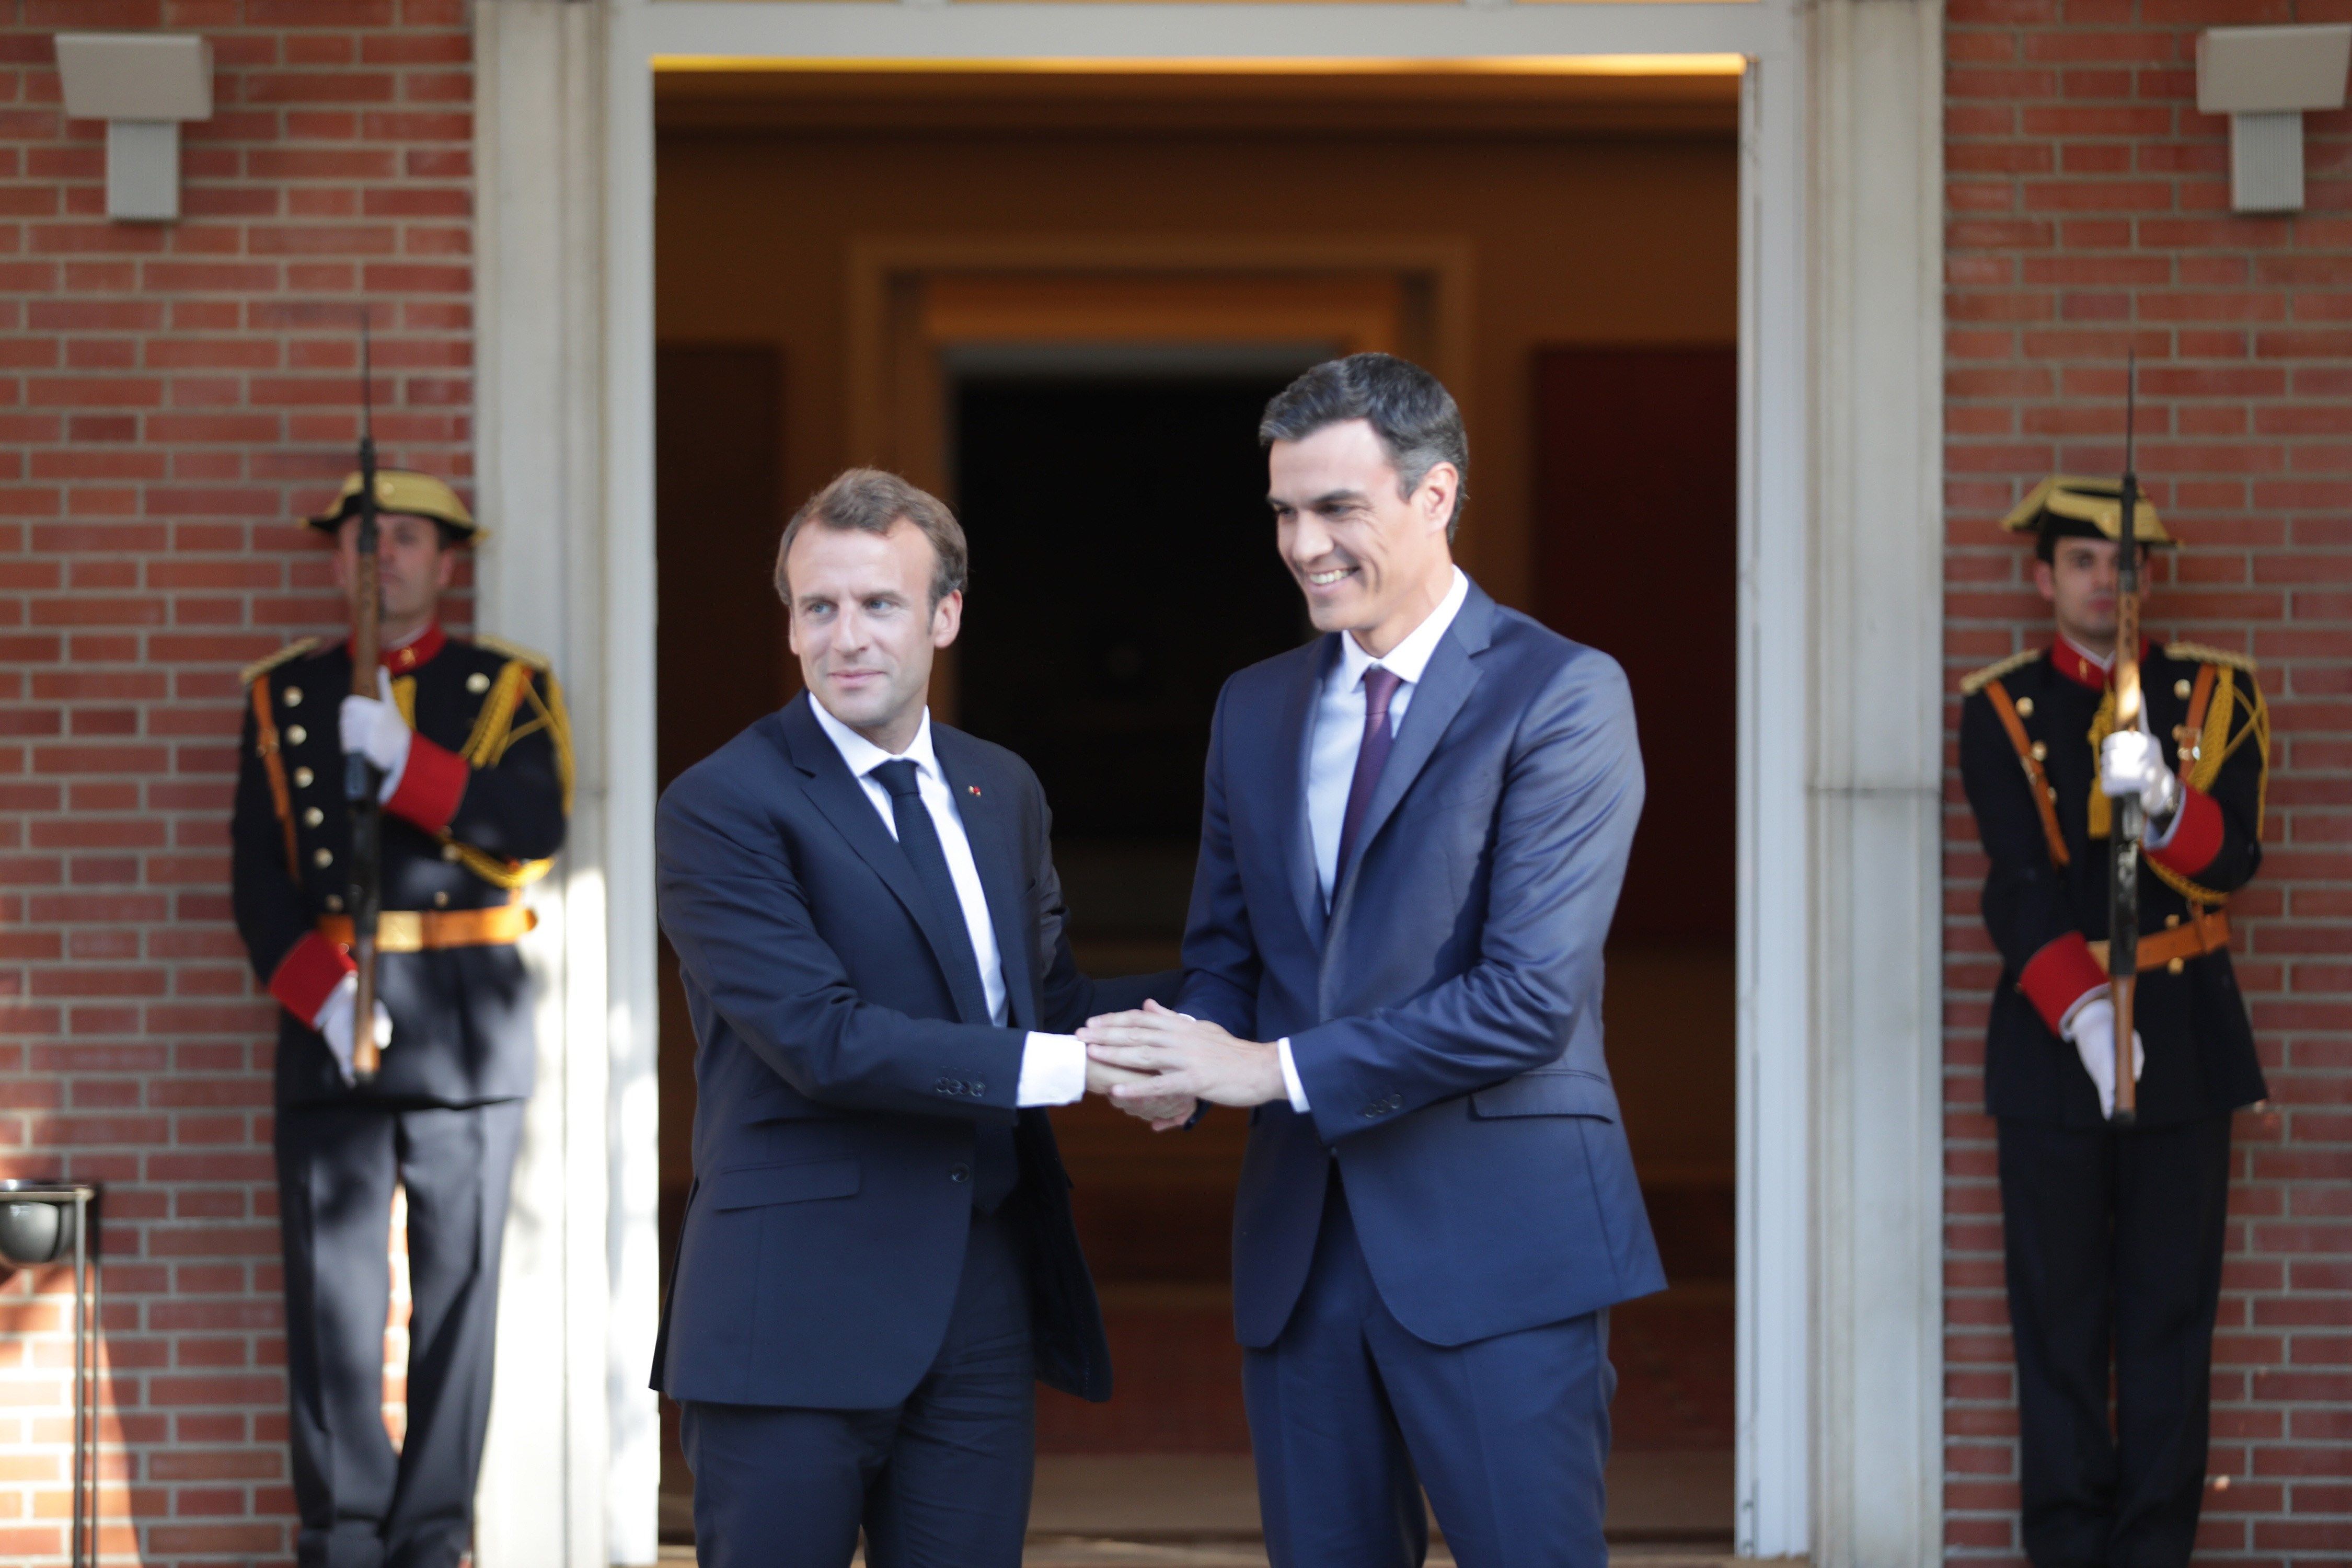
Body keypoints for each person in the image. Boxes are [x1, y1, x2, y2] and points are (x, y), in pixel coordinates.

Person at [1082, 353, 1662, 1567]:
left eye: (1338, 509)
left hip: (1503, 1242)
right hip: (1303, 1254)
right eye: (1286, 512)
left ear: (1436, 495)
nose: (1303, 544)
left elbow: (1527, 1001)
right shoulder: (1253, 706)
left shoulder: (1564, 694)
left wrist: (1269, 1068)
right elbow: (1227, 961)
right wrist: (1176, 1063)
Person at [650, 468, 1184, 1567]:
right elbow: (821, 1038)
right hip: (790, 1309)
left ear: (943, 616)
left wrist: (1188, 1051)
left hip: (976, 1301)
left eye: (880, 604)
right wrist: (1066, 1071)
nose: (847, 637)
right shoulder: (723, 804)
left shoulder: (1003, 789)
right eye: (819, 608)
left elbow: (1046, 1003)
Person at [233, 470, 571, 1568]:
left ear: (447, 560)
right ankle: (341, 1533)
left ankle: (430, 1535)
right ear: (336, 561)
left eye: (409, 537)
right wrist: (319, 996)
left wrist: (410, 766)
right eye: (363, 539)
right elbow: (255, 875)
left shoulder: (507, 683)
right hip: (337, 1020)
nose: (383, 557)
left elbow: (533, 826)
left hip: (468, 1024)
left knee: (458, 1297)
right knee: (333, 1298)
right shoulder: (285, 696)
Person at [1957, 477, 2269, 1568]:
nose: (2107, 581)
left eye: (2125, 563)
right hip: (2055, 1047)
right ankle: (2068, 1550)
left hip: (2183, 1037)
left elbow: (2236, 862)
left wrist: (2173, 807)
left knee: (2172, 1323)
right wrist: (2084, 1012)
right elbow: (2014, 886)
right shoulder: (1999, 708)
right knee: (2059, 1326)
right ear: (2044, 578)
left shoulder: (2213, 696)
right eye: (2084, 561)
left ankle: (2152, 1553)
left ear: (2149, 580)